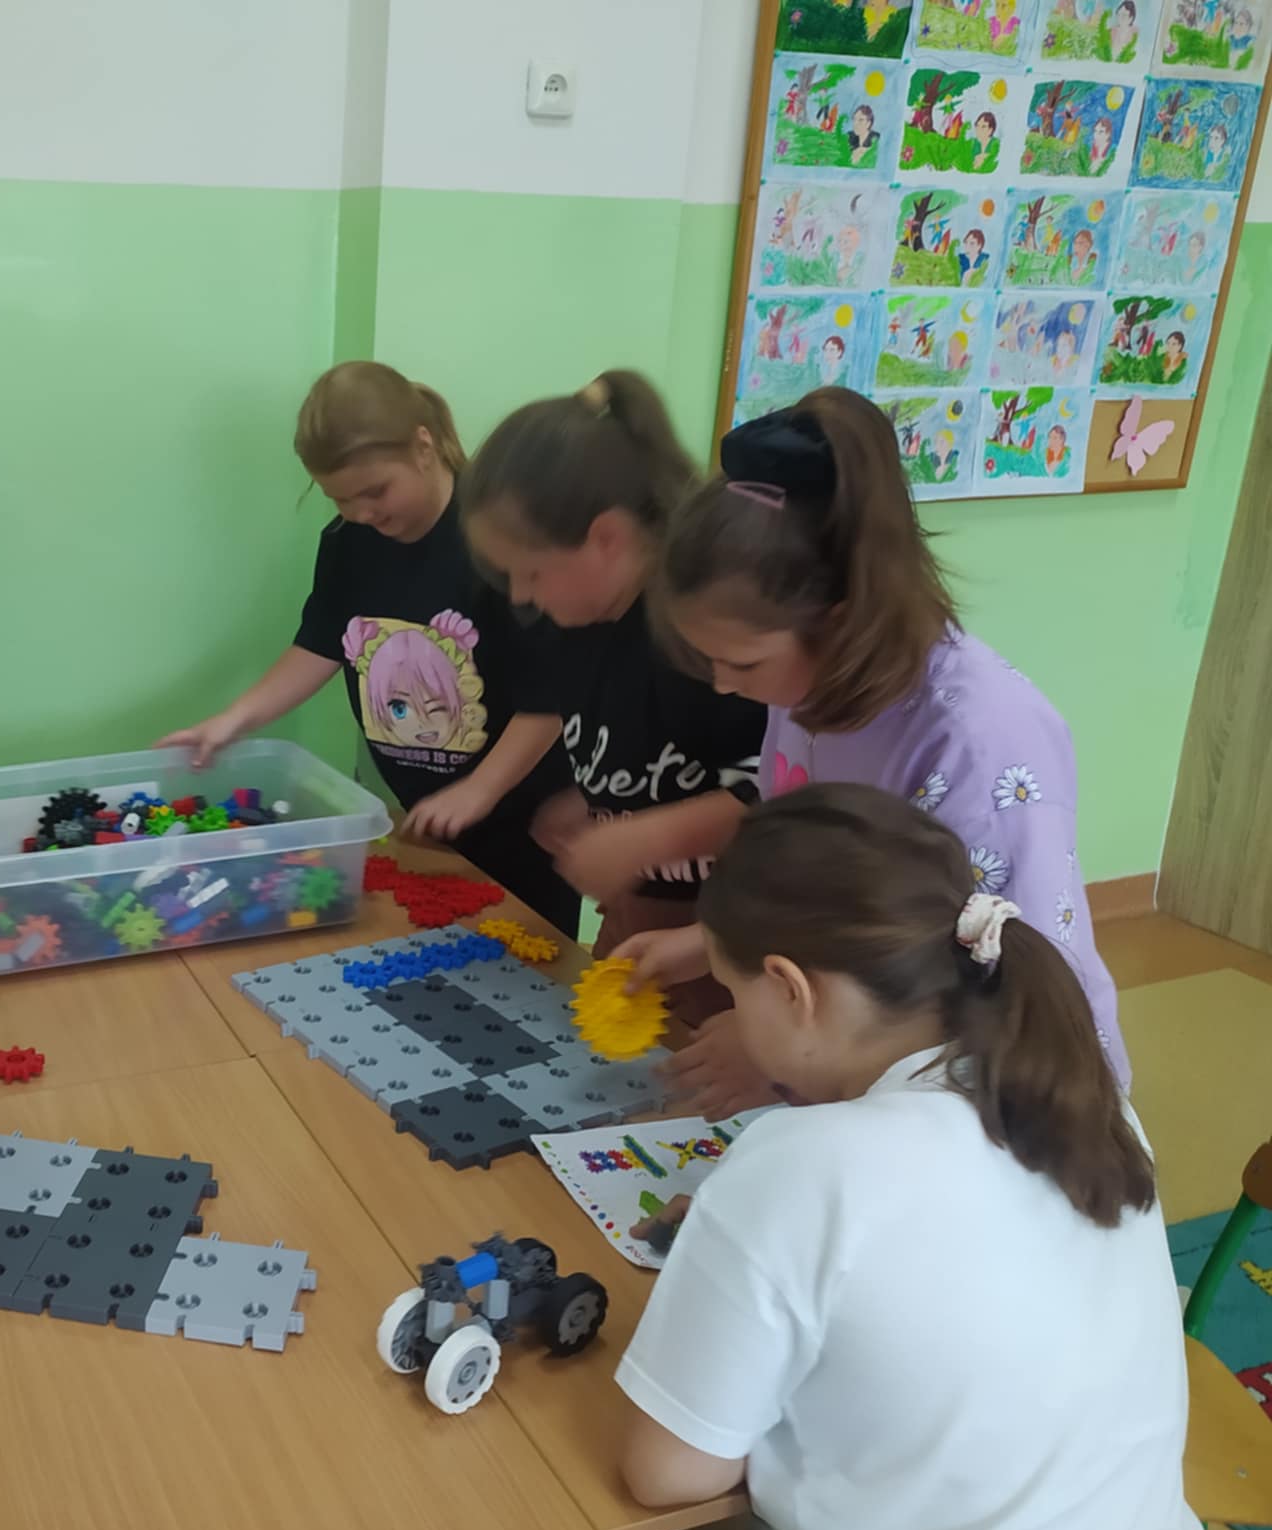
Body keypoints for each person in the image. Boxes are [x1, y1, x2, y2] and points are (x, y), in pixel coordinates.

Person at [615, 783, 1194, 1530]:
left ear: (790, 989)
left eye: (732, 991)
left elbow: (666, 1475)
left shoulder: (799, 1166)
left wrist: (744, 1247)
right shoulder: (1089, 1100)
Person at [619, 387, 1126, 1109]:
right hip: (846, 1062)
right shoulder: (804, 686)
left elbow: (1004, 989)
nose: (726, 686)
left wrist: (775, 1052)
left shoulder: (979, 745)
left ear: (841, 619)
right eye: (711, 662)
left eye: (742, 663)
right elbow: (827, 888)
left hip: (1000, 1102)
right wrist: (706, 944)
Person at [157, 361, 580, 935]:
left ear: (423, 447)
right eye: (341, 499)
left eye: (376, 492)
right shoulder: (349, 543)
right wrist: (233, 720)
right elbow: (318, 645)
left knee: (530, 961)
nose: (362, 513)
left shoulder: (497, 541)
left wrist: (478, 792)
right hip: (426, 820)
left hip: (526, 821)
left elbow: (549, 698)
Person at [458, 373, 766, 1021]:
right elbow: (650, 750)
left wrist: (644, 836)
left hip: (732, 946)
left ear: (607, 538)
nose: (521, 595)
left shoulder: (706, 636)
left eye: (531, 572)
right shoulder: (577, 625)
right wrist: (595, 804)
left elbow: (779, 798)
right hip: (636, 925)